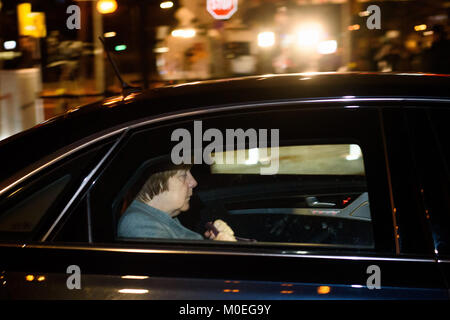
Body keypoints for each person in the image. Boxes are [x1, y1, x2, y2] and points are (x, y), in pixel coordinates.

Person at [117, 165, 236, 241]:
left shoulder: (162, 217)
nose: (193, 182)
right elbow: (180, 276)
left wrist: (217, 242)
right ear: (157, 181)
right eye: (183, 175)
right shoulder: (138, 224)